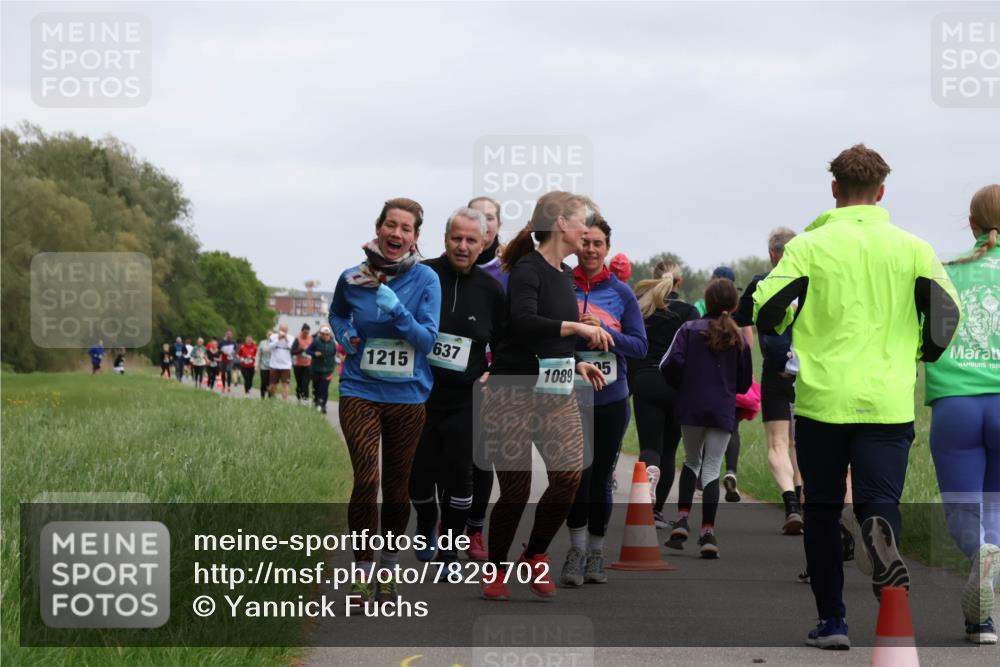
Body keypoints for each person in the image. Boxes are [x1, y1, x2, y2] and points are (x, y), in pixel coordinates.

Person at [754, 144, 960, 650]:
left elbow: (767, 308)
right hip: (887, 399)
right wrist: (921, 352)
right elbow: (947, 312)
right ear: (882, 192)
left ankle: (833, 623)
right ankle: (890, 608)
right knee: (879, 500)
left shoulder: (809, 246)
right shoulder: (914, 248)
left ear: (833, 190)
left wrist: (786, 325)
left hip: (824, 400)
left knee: (821, 508)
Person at [479, 190, 610, 601]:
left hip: (556, 389)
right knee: (516, 489)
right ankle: (496, 567)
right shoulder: (526, 270)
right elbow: (523, 324)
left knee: (569, 478)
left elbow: (548, 339)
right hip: (512, 390)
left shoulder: (565, 274)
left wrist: (575, 363)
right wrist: (578, 329)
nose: (586, 230)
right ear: (560, 224)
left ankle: (535, 553)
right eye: (581, 222)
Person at [329, 197, 441, 604]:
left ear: (414, 238)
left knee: (397, 488)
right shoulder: (352, 277)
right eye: (390, 225)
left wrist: (398, 313)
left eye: (405, 228)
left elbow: (427, 341)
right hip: (360, 389)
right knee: (366, 480)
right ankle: (360, 572)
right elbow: (338, 315)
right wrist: (345, 336)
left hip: (408, 395)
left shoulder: (427, 280)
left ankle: (389, 568)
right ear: (379, 228)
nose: (396, 233)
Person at [924, 184, 1000, 645]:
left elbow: (928, 339)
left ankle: (982, 609)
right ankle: (983, 619)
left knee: (963, 513)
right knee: (996, 509)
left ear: (970, 223)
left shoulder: (946, 273)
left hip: (956, 403)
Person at [409, 206, 505, 566]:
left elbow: (507, 343)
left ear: (484, 244)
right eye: (456, 238)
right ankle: (426, 521)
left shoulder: (493, 291)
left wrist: (496, 375)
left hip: (467, 396)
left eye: (470, 240)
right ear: (445, 239)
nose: (462, 246)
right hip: (421, 392)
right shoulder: (422, 274)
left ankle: (449, 545)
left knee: (460, 471)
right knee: (418, 475)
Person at [560, 215, 647, 587]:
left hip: (611, 399)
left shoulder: (622, 293)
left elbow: (640, 347)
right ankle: (575, 550)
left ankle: (596, 553)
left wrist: (604, 332)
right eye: (586, 242)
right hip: (570, 397)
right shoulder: (562, 286)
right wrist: (577, 332)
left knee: (600, 479)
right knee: (575, 477)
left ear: (607, 248)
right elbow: (549, 338)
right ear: (576, 244)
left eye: (598, 243)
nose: (591, 249)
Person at [661, 278, 752, 558]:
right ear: (734, 305)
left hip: (691, 406)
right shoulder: (739, 338)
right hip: (722, 410)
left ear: (707, 300)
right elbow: (745, 383)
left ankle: (683, 519)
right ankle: (708, 532)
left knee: (691, 461)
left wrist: (684, 384)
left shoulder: (689, 329)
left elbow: (668, 364)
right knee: (712, 469)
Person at [736, 227, 805, 534]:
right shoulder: (813, 285)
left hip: (774, 371)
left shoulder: (761, 283)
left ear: (772, 254)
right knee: (799, 445)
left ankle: (791, 504)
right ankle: (803, 504)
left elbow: (739, 318)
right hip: (809, 375)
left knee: (778, 444)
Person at [631, 262, 699, 527]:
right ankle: (657, 512)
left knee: (649, 447)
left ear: (654, 278)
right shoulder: (688, 311)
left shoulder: (640, 307)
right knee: (669, 450)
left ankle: (643, 501)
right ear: (679, 283)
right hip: (676, 384)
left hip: (645, 381)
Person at [466, 196, 509, 559]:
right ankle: (446, 519)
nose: (485, 223)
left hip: (493, 377)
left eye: (491, 217)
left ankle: (474, 530)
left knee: (483, 455)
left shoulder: (510, 271)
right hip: (451, 377)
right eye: (478, 216)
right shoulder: (449, 264)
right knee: (447, 455)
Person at [469, 196, 507, 289]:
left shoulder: (511, 264)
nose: (483, 223)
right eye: (476, 217)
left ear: (499, 225)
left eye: (489, 218)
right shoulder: (449, 259)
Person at [308, 325, 338, 413]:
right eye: (323, 334)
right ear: (320, 334)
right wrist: (314, 353)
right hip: (316, 369)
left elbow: (334, 355)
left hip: (328, 370)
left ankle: (323, 405)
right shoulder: (316, 342)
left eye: (327, 334)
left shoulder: (333, 343)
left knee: (324, 388)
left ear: (329, 335)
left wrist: (333, 369)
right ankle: (316, 402)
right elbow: (307, 351)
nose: (325, 336)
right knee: (316, 387)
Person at [268, 324, 294, 400]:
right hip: (274, 365)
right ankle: (271, 398)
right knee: (273, 385)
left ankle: (285, 400)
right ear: (279, 329)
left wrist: (286, 339)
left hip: (286, 365)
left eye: (285, 330)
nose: (283, 332)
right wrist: (278, 339)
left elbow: (292, 348)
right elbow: (270, 347)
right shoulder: (273, 337)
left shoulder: (290, 337)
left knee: (285, 384)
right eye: (282, 330)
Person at [292, 323, 314, 405]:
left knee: (305, 383)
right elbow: (292, 351)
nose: (306, 334)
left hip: (308, 365)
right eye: (304, 332)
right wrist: (301, 349)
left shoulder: (311, 339)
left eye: (307, 333)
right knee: (299, 384)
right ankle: (298, 398)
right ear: (301, 332)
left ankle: (305, 400)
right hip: (298, 365)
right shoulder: (297, 339)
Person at [256, 329, 272, 399]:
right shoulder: (262, 343)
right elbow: (258, 355)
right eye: (268, 334)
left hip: (273, 367)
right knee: (264, 382)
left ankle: (270, 397)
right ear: (266, 335)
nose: (270, 336)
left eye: (271, 335)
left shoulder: (276, 343)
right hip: (263, 366)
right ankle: (262, 397)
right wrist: (256, 365)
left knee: (271, 383)